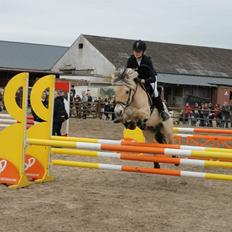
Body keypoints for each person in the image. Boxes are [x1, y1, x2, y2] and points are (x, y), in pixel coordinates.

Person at [126, 40, 170, 121]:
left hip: (149, 79)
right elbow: (127, 73)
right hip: (136, 80)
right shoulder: (130, 60)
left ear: (143, 52)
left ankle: (162, 112)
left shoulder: (147, 60)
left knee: (155, 92)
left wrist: (144, 81)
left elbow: (152, 78)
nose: (136, 53)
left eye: (139, 51)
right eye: (135, 51)